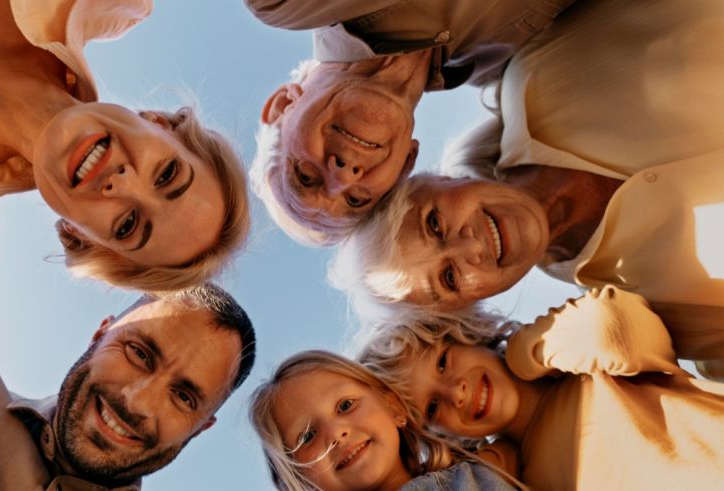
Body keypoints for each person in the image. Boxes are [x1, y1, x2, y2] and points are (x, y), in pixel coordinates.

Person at [329, 0, 724, 373]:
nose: (470, 248)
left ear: (437, 180)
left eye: (434, 224)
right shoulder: (648, 311)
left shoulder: (538, 68)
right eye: (450, 278)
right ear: (476, 302)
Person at [0, 0, 250, 293]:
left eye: (128, 225)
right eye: (167, 174)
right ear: (159, 123)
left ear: (82, 235)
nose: (121, 184)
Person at [246, 0, 575, 245]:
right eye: (357, 199)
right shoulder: (508, 67)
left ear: (283, 104)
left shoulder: (283, 4)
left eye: (305, 176)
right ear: (407, 162)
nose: (343, 176)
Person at [0, 281, 256, 489]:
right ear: (100, 336)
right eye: (139, 354)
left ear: (201, 428)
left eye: (184, 397)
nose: (138, 401)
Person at [360, 286, 724, 489]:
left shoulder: (580, 365)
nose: (455, 393)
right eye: (432, 408)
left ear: (466, 334)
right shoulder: (519, 480)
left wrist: (522, 352)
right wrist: (495, 462)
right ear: (439, 436)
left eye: (443, 362)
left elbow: (612, 327)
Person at [249, 350, 520, 490]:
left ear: (393, 407)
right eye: (308, 436)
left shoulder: (472, 473)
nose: (336, 433)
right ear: (299, 482)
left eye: (345, 406)